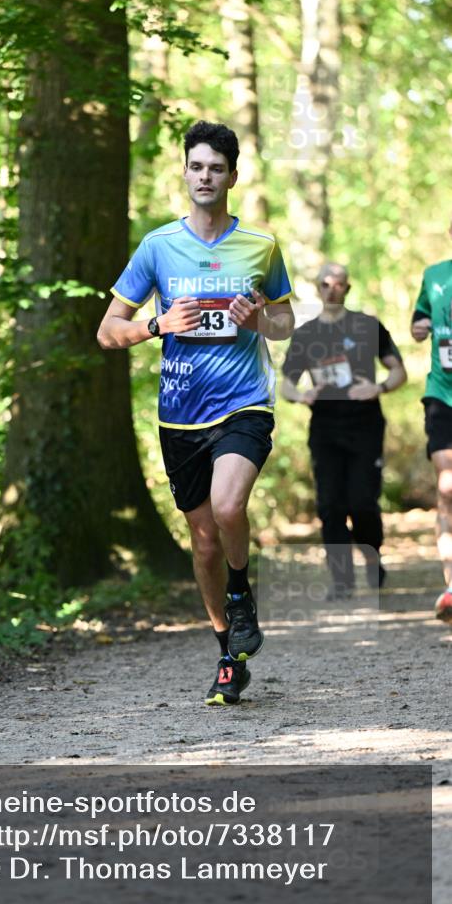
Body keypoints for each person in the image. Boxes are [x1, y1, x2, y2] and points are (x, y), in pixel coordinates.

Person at [97, 121, 294, 706]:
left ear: (234, 176)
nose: (206, 176)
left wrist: (258, 319)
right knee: (204, 542)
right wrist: (157, 324)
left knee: (231, 505)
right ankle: (227, 657)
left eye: (217, 168)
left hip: (243, 404)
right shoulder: (158, 247)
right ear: (184, 172)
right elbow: (107, 331)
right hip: (180, 414)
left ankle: (241, 595)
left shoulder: (261, 247)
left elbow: (284, 325)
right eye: (197, 166)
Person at [281, 263, 407, 599]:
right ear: (317, 288)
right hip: (324, 427)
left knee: (363, 502)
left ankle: (372, 555)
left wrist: (379, 388)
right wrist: (302, 395)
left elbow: (398, 371)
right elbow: (286, 385)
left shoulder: (367, 326)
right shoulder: (306, 334)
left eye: (338, 284)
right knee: (331, 505)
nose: (331, 289)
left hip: (364, 425)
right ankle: (341, 581)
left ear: (347, 289)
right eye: (325, 284)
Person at [410, 222, 452, 623]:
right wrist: (420, 328)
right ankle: (451, 587)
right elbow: (417, 324)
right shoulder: (435, 276)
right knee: (448, 485)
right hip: (442, 393)